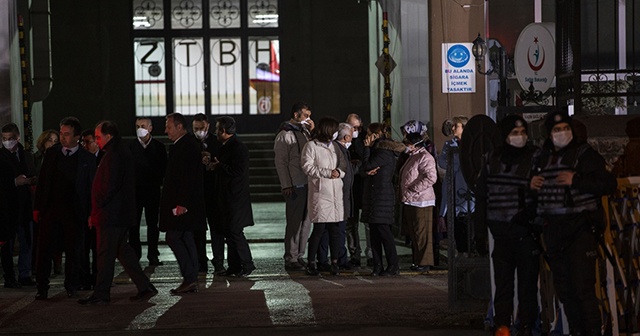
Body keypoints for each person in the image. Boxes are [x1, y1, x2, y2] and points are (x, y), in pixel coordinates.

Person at [530, 111, 617, 335]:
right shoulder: (541, 158)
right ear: (549, 134)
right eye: (556, 130)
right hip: (554, 233)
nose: (562, 133)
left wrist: (576, 180)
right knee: (566, 292)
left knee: (583, 290)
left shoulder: (585, 155)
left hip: (581, 231)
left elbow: (607, 184)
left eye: (565, 128)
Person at [78, 121, 157, 305]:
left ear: (109, 136)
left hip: (111, 215)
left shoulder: (114, 155)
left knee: (105, 255)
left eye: (98, 137)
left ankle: (101, 293)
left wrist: (96, 209)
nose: (96, 141)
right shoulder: (117, 153)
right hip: (117, 214)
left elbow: (109, 187)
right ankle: (144, 286)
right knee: (123, 252)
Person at [476, 115, 541, 335]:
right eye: (515, 133)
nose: (520, 137)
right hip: (501, 234)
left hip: (526, 232)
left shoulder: (534, 158)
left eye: (523, 132)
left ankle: (525, 326)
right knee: (503, 285)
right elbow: (482, 196)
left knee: (527, 286)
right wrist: (480, 232)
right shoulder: (491, 159)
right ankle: (502, 325)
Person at [33, 117, 96, 300]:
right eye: (61, 133)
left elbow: (91, 187)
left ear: (77, 136)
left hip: (74, 212)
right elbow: (43, 181)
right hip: (51, 210)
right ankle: (42, 287)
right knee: (44, 250)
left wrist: (91, 212)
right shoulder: (52, 154)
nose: (62, 137)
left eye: (67, 134)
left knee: (73, 251)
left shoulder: (87, 159)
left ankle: (71, 285)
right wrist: (37, 208)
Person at [160, 112, 206, 294]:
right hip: (182, 204)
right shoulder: (182, 145)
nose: (166, 131)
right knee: (185, 238)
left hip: (182, 206)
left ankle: (190, 277)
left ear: (180, 127)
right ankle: (191, 278)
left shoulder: (186, 146)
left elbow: (188, 178)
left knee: (174, 237)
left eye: (169, 127)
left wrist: (182, 203)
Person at [210, 116, 256, 277]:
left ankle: (247, 263)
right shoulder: (225, 146)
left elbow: (238, 171)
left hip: (235, 198)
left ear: (223, 131)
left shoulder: (238, 147)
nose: (215, 132)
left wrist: (219, 166)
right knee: (229, 232)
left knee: (235, 231)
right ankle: (234, 266)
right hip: (227, 198)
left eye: (217, 129)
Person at [301, 117, 347, 276]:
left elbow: (343, 164)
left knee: (335, 230)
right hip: (321, 193)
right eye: (334, 130)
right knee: (319, 230)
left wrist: (339, 173)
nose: (336, 133)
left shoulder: (335, 146)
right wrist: (328, 173)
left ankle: (334, 262)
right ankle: (311, 263)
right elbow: (307, 167)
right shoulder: (311, 146)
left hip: (335, 192)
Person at [274, 102, 315, 271]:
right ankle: (291, 257)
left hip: (308, 182)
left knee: (306, 221)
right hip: (295, 183)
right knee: (294, 222)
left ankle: (299, 255)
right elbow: (281, 162)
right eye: (306, 115)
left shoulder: (305, 132)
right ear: (297, 115)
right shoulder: (285, 135)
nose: (308, 119)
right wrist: (286, 184)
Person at [360, 122, 405, 276]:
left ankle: (393, 265)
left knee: (384, 232)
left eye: (368, 133)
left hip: (381, 197)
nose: (366, 137)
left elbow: (366, 166)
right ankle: (377, 266)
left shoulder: (383, 152)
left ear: (376, 135)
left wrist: (366, 149)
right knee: (374, 233)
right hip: (374, 196)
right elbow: (363, 170)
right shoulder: (377, 150)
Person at [1, 123, 37, 288]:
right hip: (7, 207)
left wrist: (30, 181)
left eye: (10, 138)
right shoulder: (1, 157)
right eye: (4, 139)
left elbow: (32, 173)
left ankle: (24, 274)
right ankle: (9, 276)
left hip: (25, 206)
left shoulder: (26, 156)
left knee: (26, 241)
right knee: (7, 244)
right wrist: (15, 182)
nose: (7, 142)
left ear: (18, 138)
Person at [129, 117, 167, 266]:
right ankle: (135, 254)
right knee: (134, 225)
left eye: (143, 126)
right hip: (135, 192)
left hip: (152, 191)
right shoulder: (131, 147)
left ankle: (153, 254)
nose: (140, 128)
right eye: (138, 125)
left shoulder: (158, 147)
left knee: (153, 224)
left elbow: (163, 168)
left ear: (150, 128)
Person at [399, 131, 438, 271]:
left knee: (422, 233)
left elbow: (431, 177)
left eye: (408, 143)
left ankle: (424, 262)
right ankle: (418, 261)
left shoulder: (425, 157)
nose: (406, 146)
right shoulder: (413, 156)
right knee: (415, 232)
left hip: (421, 200)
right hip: (411, 200)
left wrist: (413, 188)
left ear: (415, 144)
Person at [192, 113, 226, 275]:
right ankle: (201, 262)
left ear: (208, 127)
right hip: (197, 192)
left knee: (217, 229)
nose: (199, 131)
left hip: (213, 191)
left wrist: (212, 162)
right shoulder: (190, 143)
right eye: (196, 129)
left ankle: (218, 261)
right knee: (198, 230)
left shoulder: (216, 142)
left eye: (202, 128)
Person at [438, 115, 475, 253]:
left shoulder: (472, 144)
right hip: (453, 191)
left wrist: (455, 163)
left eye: (456, 125)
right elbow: (442, 162)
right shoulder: (449, 145)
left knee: (470, 230)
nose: (453, 128)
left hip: (469, 194)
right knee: (457, 231)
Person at [33, 130, 62, 276]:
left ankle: (57, 262)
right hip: (39, 200)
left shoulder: (59, 157)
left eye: (55, 141)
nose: (52, 143)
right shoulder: (36, 159)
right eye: (50, 140)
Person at [345, 113, 371, 267]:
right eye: (350, 127)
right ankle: (354, 254)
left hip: (364, 184)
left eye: (356, 127)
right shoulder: (342, 138)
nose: (353, 130)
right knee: (351, 222)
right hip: (350, 186)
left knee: (368, 222)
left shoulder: (365, 139)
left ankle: (370, 253)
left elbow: (367, 161)